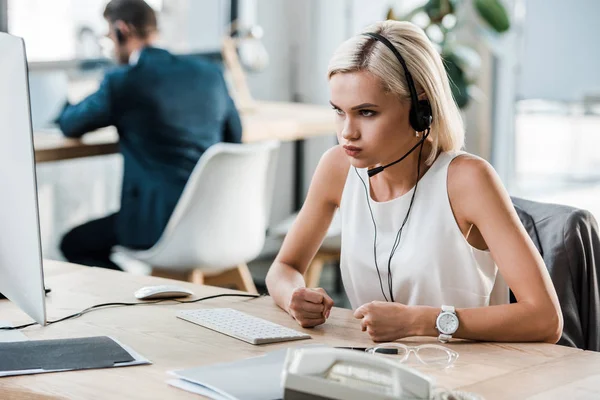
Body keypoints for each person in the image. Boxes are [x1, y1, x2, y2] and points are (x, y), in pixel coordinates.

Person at [266, 20, 563, 344]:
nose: (347, 132)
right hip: (377, 371)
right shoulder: (337, 167)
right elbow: (283, 267)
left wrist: (422, 321)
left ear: (420, 109)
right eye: (339, 111)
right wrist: (295, 296)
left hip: (465, 379)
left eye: (366, 112)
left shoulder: (468, 180)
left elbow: (545, 318)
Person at [58, 0, 242, 270]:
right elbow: (235, 137)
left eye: (109, 37)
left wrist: (66, 99)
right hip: (215, 220)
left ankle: (133, 291)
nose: (110, 46)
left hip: (156, 225)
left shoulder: (124, 81)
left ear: (122, 30)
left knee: (73, 243)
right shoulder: (210, 73)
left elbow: (71, 125)